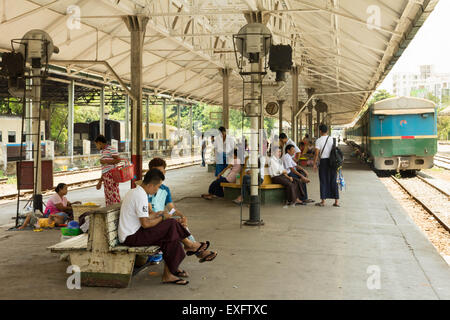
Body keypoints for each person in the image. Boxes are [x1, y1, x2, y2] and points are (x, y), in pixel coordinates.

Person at [119, 169, 218, 286]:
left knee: (172, 239)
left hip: (136, 232)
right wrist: (163, 218)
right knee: (170, 223)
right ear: (150, 185)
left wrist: (159, 214)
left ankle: (168, 274)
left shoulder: (137, 192)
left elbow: (144, 218)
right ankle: (191, 245)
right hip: (132, 237)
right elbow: (145, 224)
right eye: (157, 187)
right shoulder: (140, 195)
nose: (157, 189)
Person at [313, 124, 340, 207]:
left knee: (323, 181)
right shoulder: (333, 140)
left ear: (320, 131)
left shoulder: (318, 140)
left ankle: (323, 201)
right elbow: (336, 152)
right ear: (327, 131)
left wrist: (315, 164)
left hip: (324, 162)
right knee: (333, 180)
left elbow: (316, 154)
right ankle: (336, 201)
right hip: (333, 162)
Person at [94, 135, 122, 206]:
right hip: (106, 176)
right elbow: (104, 169)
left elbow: (118, 160)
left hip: (111, 175)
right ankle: (111, 211)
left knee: (114, 194)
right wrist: (100, 181)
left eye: (96, 144)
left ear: (100, 143)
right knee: (108, 196)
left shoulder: (111, 149)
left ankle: (117, 210)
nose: (96, 146)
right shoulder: (103, 151)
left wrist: (105, 161)